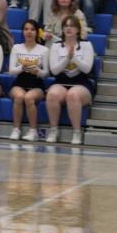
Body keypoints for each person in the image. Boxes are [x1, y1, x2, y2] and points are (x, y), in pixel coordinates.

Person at [46, 16, 95, 145]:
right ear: (62, 29)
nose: (68, 28)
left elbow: (87, 69)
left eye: (72, 26)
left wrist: (74, 58)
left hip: (82, 83)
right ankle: (53, 130)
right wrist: (67, 58)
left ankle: (77, 132)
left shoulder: (86, 45)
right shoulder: (56, 46)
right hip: (61, 82)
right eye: (66, 26)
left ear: (78, 30)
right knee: (52, 94)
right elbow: (54, 70)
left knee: (72, 95)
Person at [7, 20, 49, 141]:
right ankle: (16, 129)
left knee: (29, 98)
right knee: (19, 96)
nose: (29, 32)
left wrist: (38, 71)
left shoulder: (43, 50)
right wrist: (22, 68)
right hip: (19, 82)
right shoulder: (16, 48)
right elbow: (11, 71)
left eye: (32, 29)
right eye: (26, 29)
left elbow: (46, 74)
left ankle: (33, 131)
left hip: (36, 83)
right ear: (23, 32)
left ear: (37, 32)